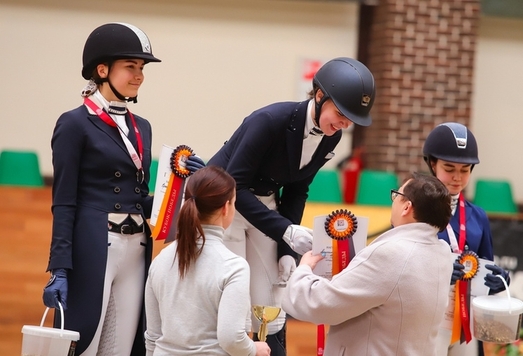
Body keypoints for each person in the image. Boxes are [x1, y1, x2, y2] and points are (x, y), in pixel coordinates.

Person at [41, 22, 203, 355]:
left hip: (136, 246)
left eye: (141, 68)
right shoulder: (74, 123)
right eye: (131, 66)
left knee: (124, 345)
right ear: (102, 69)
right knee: (85, 340)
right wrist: (59, 266)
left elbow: (138, 196)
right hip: (95, 244)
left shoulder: (141, 127)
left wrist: (183, 187)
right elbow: (64, 202)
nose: (139, 75)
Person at [207, 57, 376, 355]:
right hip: (225, 207)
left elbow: (298, 190)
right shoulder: (269, 120)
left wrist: (287, 251)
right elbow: (235, 185)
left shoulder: (329, 136)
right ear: (320, 96)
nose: (344, 125)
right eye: (341, 114)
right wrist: (285, 231)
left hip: (264, 206)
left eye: (351, 120)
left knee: (272, 300)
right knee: (233, 295)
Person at [281, 173, 454, 355]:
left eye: (397, 196)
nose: (393, 201)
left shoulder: (390, 254)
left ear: (406, 207)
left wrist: (304, 269)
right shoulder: (442, 251)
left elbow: (320, 304)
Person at [144, 166, 270, 356]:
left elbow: (153, 337)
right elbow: (231, 338)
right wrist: (254, 349)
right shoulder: (234, 266)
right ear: (226, 208)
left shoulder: (160, 260)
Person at [422, 122, 511, 356]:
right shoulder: (414, 212)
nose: (457, 178)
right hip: (427, 322)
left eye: (465, 170)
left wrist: (498, 281)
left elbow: (484, 269)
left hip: (466, 324)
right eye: (449, 168)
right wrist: (436, 272)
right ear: (432, 164)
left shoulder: (478, 216)